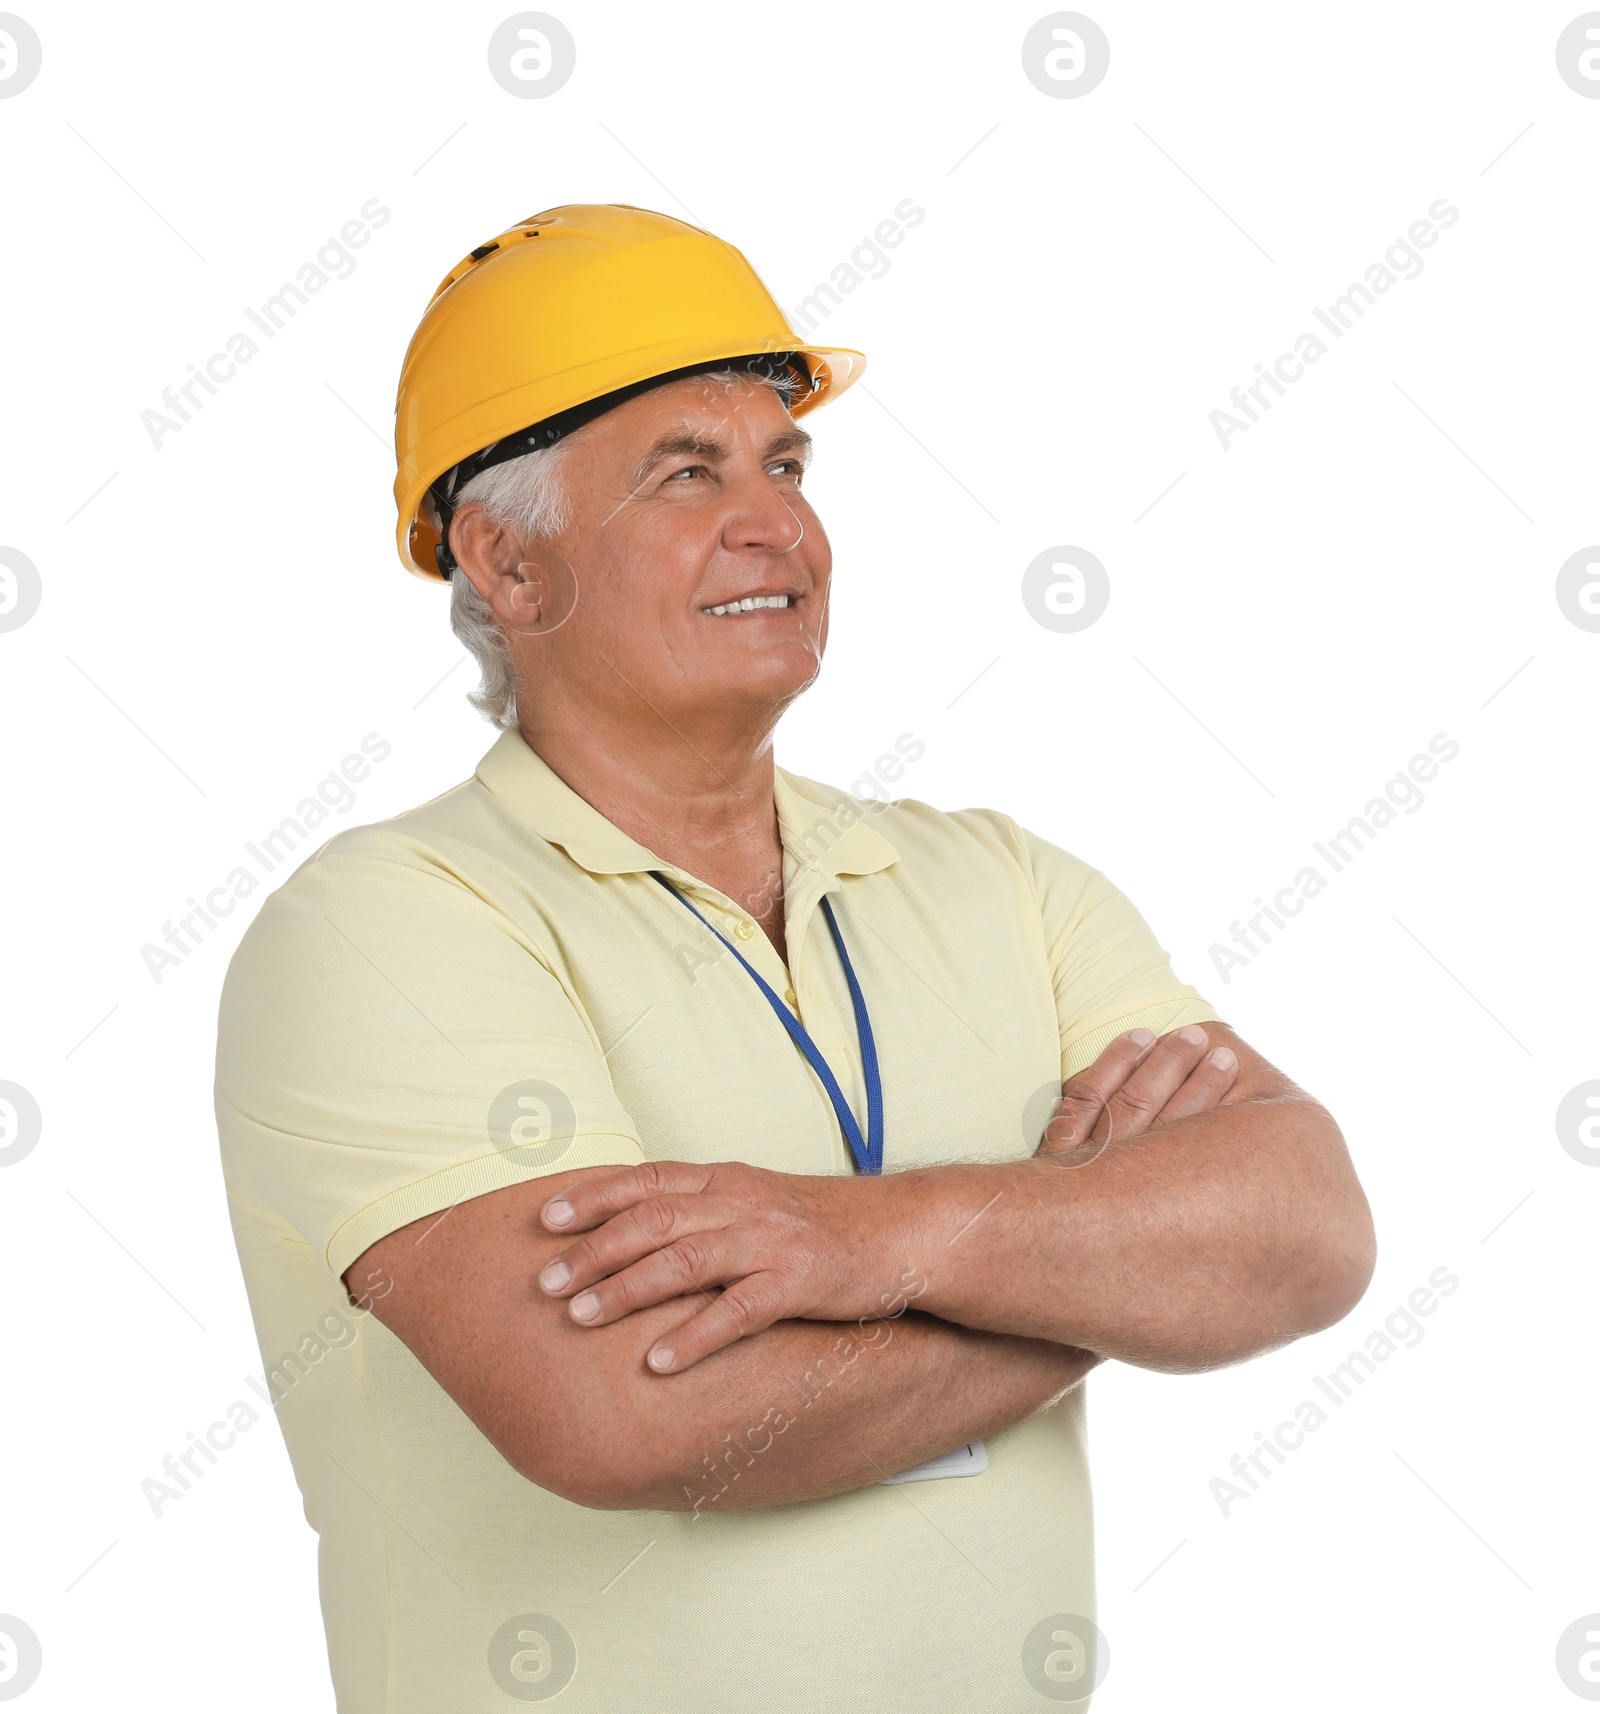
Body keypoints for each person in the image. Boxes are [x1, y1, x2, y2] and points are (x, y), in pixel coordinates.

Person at [215, 203, 1375, 1712]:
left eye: (788, 465)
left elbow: (1307, 1232)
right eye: (687, 474)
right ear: (506, 560)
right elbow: (634, 1416)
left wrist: (880, 1239)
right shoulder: (391, 923)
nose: (779, 526)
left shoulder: (1001, 879)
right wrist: (1107, 1273)